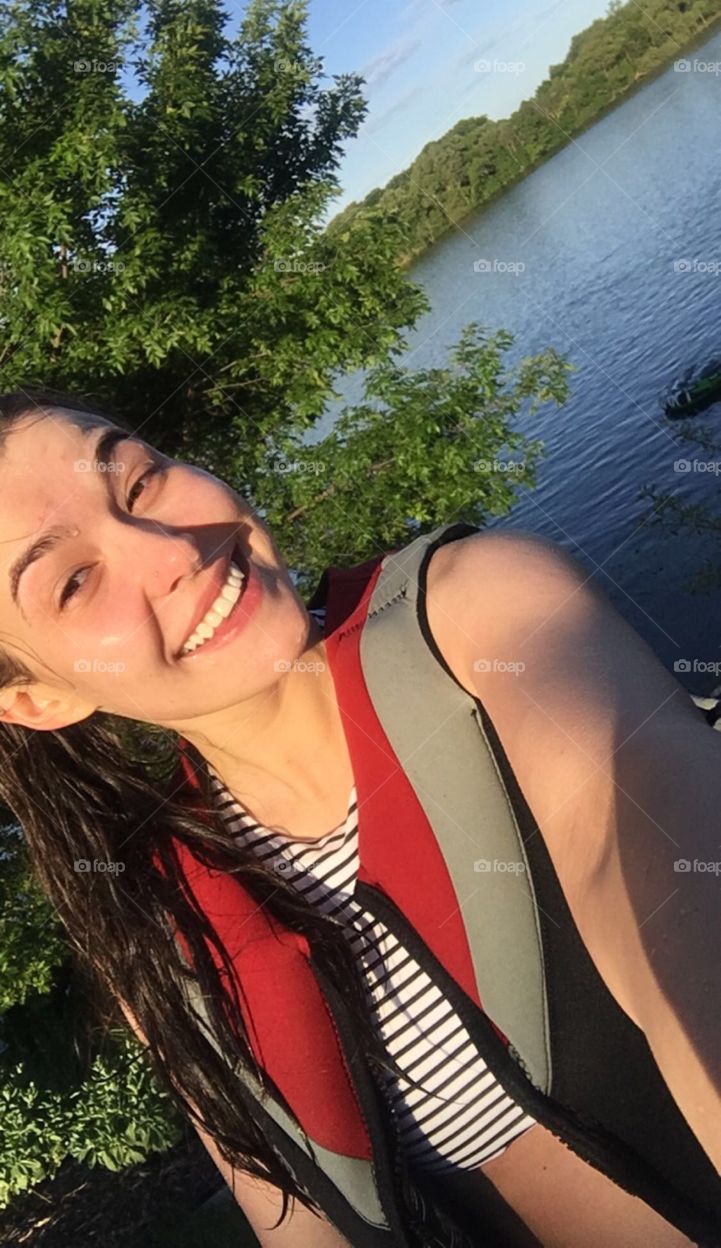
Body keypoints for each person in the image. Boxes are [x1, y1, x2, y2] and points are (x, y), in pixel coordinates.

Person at [0, 387, 719, 1248]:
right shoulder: (163, 933)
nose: (169, 554)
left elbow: (646, 873)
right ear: (40, 698)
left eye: (142, 481)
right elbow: (298, 1224)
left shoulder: (479, 619)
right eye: (74, 581)